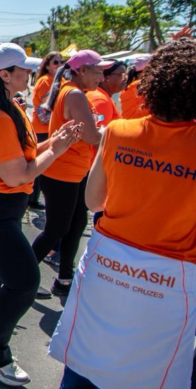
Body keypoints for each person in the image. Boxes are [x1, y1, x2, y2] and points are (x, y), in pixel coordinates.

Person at [49, 38, 196, 389]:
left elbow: (94, 201)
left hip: (108, 264)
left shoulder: (118, 131)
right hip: (172, 277)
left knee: (86, 362)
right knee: (151, 372)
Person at [0, 43, 80, 386]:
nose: (30, 73)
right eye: (23, 68)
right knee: (24, 283)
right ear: (5, 75)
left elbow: (22, 156)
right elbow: (18, 175)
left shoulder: (10, 107)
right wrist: (57, 149)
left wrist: (51, 142)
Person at [33, 50, 104, 298]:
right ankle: (19, 275)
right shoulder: (74, 94)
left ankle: (64, 278)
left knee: (76, 224)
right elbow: (91, 136)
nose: (101, 77)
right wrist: (112, 131)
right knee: (56, 229)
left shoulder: (74, 91)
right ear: (83, 70)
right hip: (63, 172)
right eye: (98, 71)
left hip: (74, 171)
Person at [28, 51, 63, 209]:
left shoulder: (58, 80)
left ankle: (33, 197)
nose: (59, 65)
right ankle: (32, 198)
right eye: (55, 62)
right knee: (38, 164)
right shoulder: (45, 81)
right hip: (42, 127)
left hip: (50, 127)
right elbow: (44, 108)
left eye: (61, 62)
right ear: (47, 65)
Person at [85, 60, 127, 125]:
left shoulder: (102, 96)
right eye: (121, 75)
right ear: (106, 78)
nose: (125, 79)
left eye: (125, 75)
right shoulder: (101, 100)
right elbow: (98, 129)